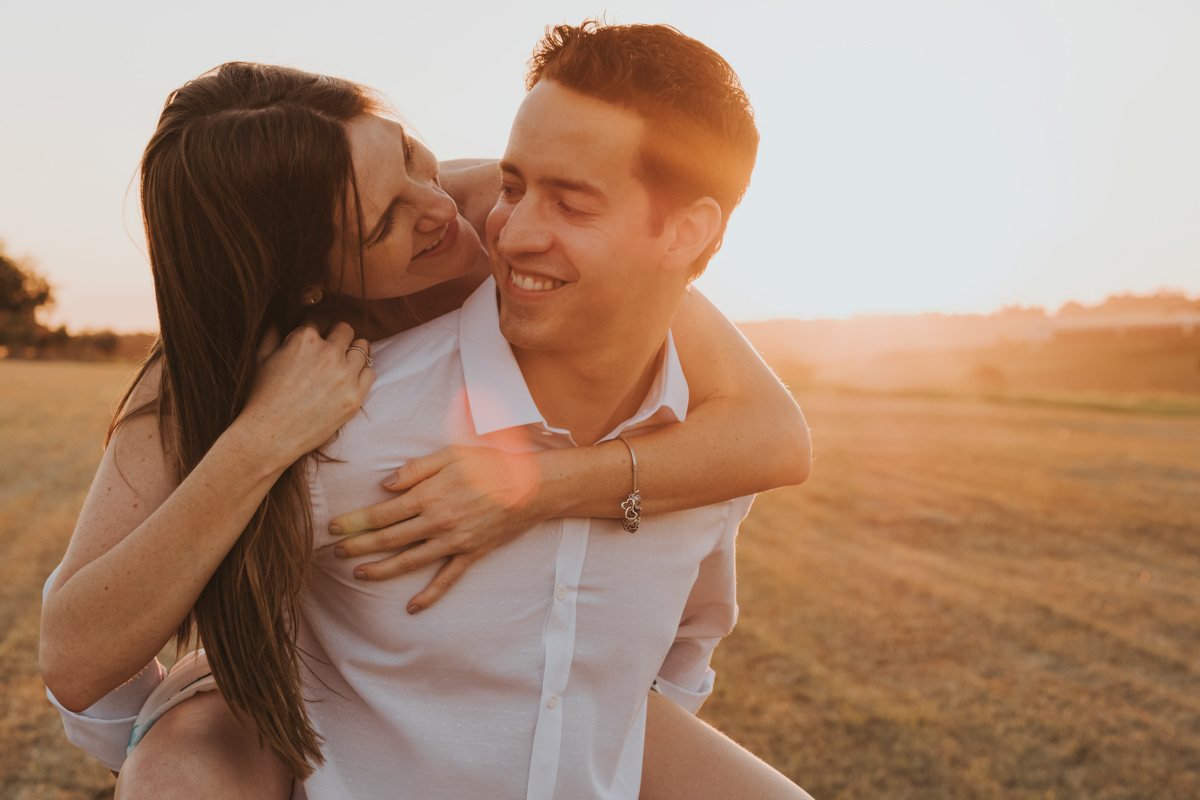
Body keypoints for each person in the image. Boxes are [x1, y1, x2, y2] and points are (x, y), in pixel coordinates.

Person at [39, 27, 811, 800]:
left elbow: (774, 438)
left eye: (412, 156)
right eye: (386, 224)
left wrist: (536, 487)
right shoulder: (239, 385)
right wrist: (260, 443)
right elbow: (80, 660)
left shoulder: (493, 204)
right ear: (310, 281)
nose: (457, 214)